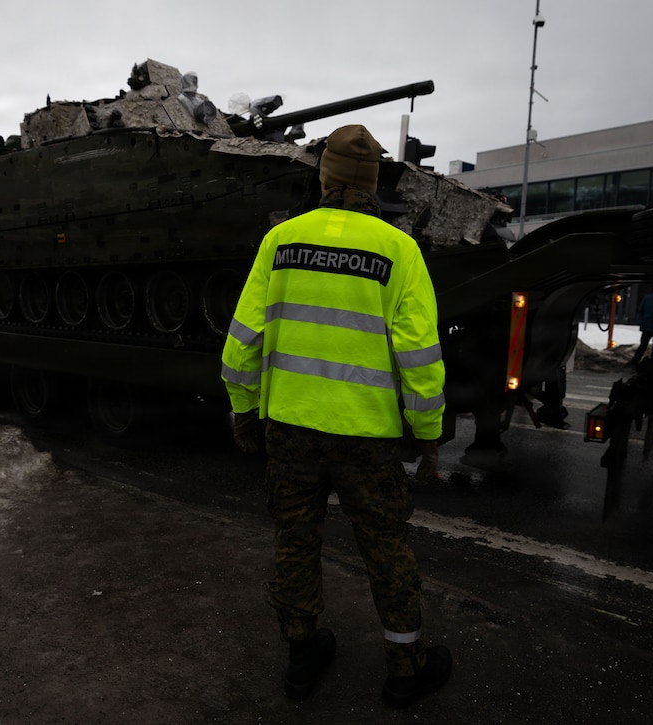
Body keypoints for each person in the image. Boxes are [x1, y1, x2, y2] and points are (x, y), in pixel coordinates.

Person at [221, 124, 450, 708]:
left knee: (295, 541)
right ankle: (405, 668)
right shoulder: (399, 250)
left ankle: (302, 660)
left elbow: (241, 341)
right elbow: (421, 360)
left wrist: (244, 411)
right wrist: (427, 439)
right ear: (373, 184)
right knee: (386, 550)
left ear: (323, 177)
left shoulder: (281, 241)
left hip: (291, 430)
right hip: (367, 439)